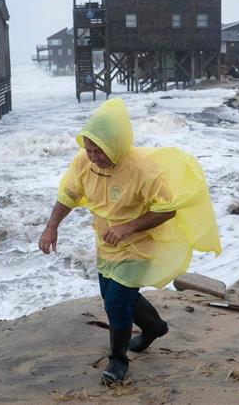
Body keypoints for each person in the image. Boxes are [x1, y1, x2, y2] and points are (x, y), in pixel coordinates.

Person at [38, 98, 221, 384]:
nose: (93, 156)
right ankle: (155, 327)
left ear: (117, 145)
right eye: (89, 149)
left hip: (139, 244)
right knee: (115, 297)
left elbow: (167, 208)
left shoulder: (143, 170)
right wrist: (51, 227)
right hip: (107, 242)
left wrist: (129, 227)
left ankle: (118, 361)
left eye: (99, 150)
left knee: (115, 304)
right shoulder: (83, 162)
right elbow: (69, 195)